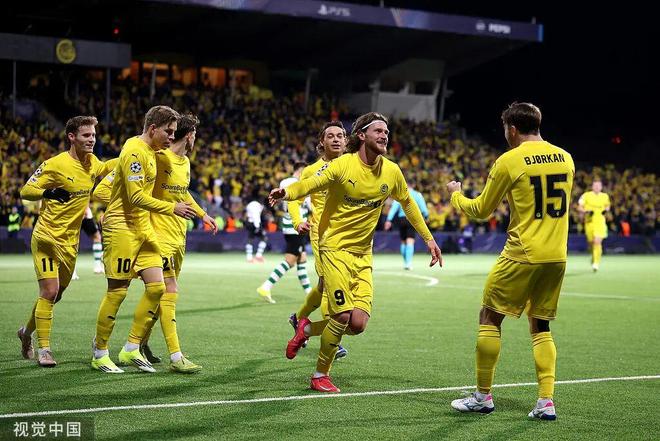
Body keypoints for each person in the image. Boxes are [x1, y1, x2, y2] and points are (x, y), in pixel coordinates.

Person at [269, 112, 442, 393]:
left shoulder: (391, 171)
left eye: (387, 131)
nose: (385, 135)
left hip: (363, 254)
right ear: (361, 135)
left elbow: (408, 203)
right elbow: (308, 184)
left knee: (358, 323)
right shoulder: (342, 165)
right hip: (333, 247)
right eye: (378, 131)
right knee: (340, 315)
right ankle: (319, 375)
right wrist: (287, 194)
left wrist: (429, 239)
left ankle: (306, 328)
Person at [447, 102, 574, 421]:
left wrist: (455, 195)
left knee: (489, 316)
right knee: (540, 324)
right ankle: (546, 401)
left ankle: (482, 397)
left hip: (522, 253)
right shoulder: (565, 157)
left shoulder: (510, 160)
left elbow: (481, 210)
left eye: (505, 129)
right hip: (556, 257)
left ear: (512, 129)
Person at [94, 113, 217, 373]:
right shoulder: (151, 154)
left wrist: (202, 214)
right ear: (190, 135)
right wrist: (120, 206)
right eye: (168, 131)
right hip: (152, 232)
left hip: (171, 234)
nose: (171, 136)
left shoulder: (179, 161)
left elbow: (181, 193)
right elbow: (107, 189)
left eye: (173, 131)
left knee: (159, 289)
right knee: (137, 290)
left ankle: (136, 346)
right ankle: (169, 354)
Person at [17, 115, 117, 367]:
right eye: (86, 135)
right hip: (46, 238)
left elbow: (108, 167)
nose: (92, 139)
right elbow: (25, 191)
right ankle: (45, 350)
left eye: (93, 135)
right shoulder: (55, 164)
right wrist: (48, 192)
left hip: (70, 244)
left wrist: (136, 151)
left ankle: (26, 333)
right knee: (49, 291)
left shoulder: (92, 163)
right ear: (72, 137)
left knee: (55, 295)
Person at [287, 121, 348, 360]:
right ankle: (332, 337)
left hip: (348, 235)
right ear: (321, 142)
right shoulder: (312, 171)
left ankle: (298, 318)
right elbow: (295, 200)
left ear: (346, 141)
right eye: (330, 136)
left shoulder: (354, 165)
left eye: (340, 135)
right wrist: (297, 222)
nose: (336, 139)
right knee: (330, 283)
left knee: (324, 285)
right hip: (322, 234)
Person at [256, 162, 313, 304]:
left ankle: (309, 293)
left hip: (289, 223)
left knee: (302, 258)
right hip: (296, 226)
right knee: (290, 260)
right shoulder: (299, 183)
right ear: (301, 171)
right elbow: (308, 205)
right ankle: (266, 286)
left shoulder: (284, 182)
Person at [384, 184, 429, 270]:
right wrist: (426, 216)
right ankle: (408, 263)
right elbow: (423, 208)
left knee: (403, 242)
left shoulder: (400, 194)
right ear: (414, 185)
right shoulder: (417, 195)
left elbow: (394, 208)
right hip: (411, 218)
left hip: (401, 219)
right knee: (410, 241)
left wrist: (389, 220)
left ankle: (406, 262)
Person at [578, 179, 610, 271]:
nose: (597, 187)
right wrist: (585, 211)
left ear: (601, 187)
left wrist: (606, 210)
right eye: (595, 185)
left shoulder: (605, 196)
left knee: (597, 242)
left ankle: (596, 263)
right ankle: (594, 256)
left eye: (598, 186)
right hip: (589, 222)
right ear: (592, 187)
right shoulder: (586, 195)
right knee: (591, 243)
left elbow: (607, 206)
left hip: (600, 222)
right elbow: (579, 207)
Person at [244, 192, 268, 263]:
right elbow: (256, 216)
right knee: (264, 238)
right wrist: (258, 227)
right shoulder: (257, 205)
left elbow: (247, 215)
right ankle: (258, 256)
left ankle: (249, 257)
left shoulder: (249, 205)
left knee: (250, 239)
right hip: (255, 223)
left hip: (249, 222)